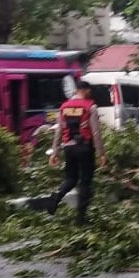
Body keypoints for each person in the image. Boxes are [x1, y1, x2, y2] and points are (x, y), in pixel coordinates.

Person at [47, 82, 106, 224]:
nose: (90, 93)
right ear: (85, 90)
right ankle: (81, 218)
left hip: (69, 148)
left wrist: (55, 152)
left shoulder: (64, 107)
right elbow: (96, 132)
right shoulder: (90, 106)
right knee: (85, 182)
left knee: (70, 179)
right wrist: (101, 153)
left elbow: (59, 131)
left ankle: (55, 198)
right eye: (89, 91)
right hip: (85, 148)